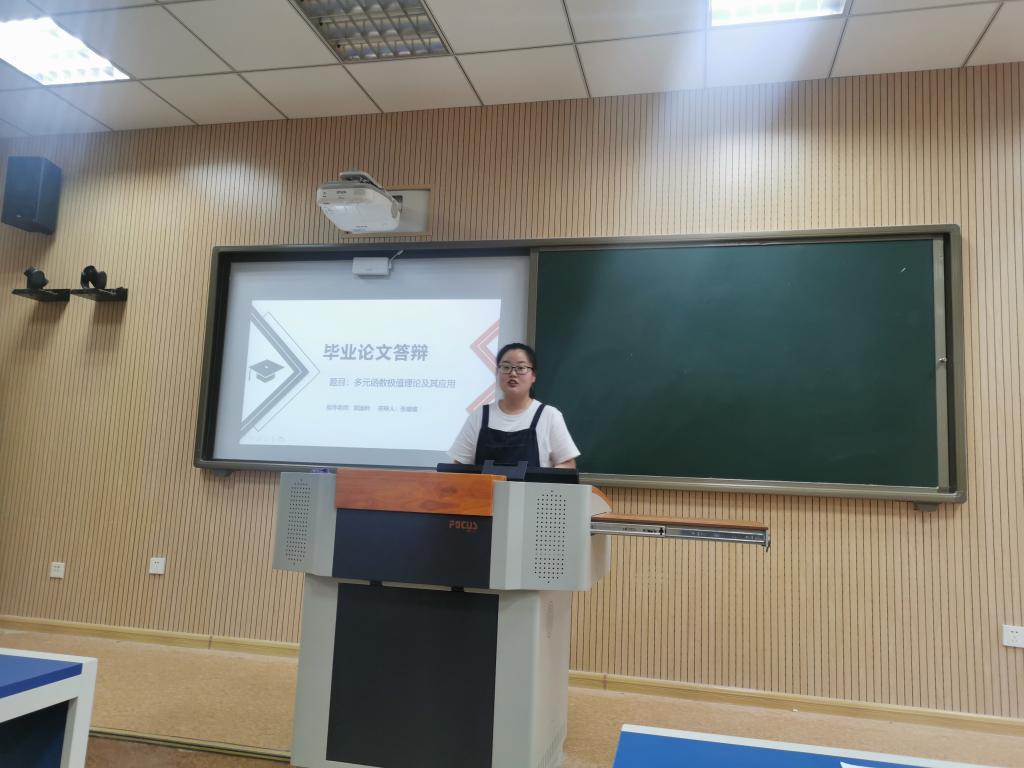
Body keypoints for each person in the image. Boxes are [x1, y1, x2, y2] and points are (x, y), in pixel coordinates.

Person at [448, 342, 579, 469]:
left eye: (521, 368)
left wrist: (543, 478)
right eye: (506, 367)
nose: (513, 373)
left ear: (533, 376)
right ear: (497, 373)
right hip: (485, 486)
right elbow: (458, 465)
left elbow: (568, 464)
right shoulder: (480, 416)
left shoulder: (549, 415)